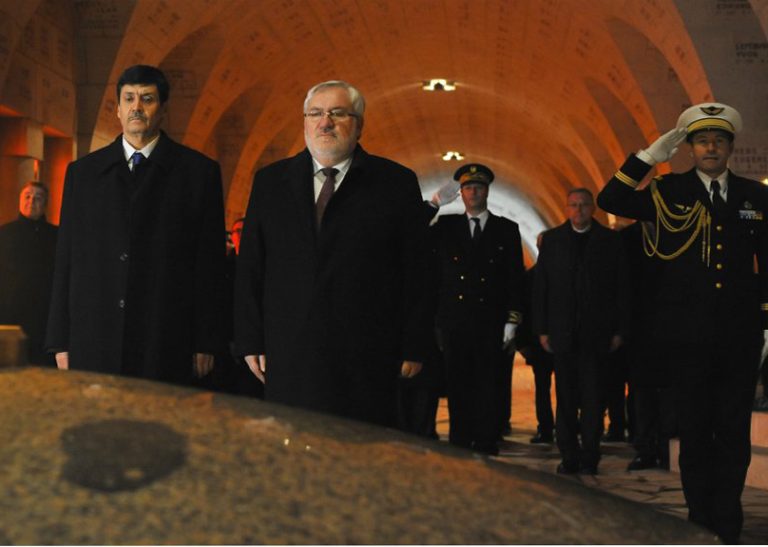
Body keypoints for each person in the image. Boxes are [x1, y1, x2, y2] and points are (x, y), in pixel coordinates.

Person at [597, 102, 768, 543]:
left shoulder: (756, 196)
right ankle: (699, 518)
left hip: (738, 335)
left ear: (731, 147)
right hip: (684, 336)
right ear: (690, 148)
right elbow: (610, 199)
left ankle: (728, 519)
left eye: (719, 140)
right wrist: (648, 158)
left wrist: (766, 325)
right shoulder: (668, 191)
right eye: (702, 140)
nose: (711, 147)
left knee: (732, 432)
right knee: (693, 431)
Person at [233, 80, 430, 427]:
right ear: (305, 121)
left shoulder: (395, 183)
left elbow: (417, 271)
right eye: (316, 113)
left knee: (359, 452)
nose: (325, 122)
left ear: (358, 124)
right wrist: (250, 339)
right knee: (293, 449)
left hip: (366, 351)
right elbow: (252, 265)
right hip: (290, 348)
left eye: (338, 114)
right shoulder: (270, 182)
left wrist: (414, 344)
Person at [46, 65, 227, 385]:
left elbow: (209, 266)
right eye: (128, 99)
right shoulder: (83, 174)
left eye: (147, 99)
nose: (136, 107)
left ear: (163, 109)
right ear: (117, 109)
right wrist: (60, 337)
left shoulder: (199, 173)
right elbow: (67, 257)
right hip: (95, 332)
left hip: (166, 333)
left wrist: (206, 340)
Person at [533, 188, 631, 474]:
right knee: (564, 396)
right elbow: (542, 288)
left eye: (584, 205)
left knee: (593, 396)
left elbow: (621, 288)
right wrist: (541, 329)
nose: (579, 210)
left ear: (593, 209)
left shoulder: (610, 241)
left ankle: (590, 453)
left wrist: (619, 330)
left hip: (597, 333)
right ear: (567, 208)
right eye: (574, 205)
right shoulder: (552, 240)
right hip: (562, 333)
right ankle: (568, 453)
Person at [430, 164, 525, 454]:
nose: (474, 192)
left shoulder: (506, 229)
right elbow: (414, 238)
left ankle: (486, 439)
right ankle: (459, 439)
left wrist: (512, 320)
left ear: (487, 191)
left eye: (479, 187)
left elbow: (514, 278)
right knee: (457, 384)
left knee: (488, 383)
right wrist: (433, 204)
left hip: (490, 320)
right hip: (455, 321)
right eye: (468, 187)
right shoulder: (445, 227)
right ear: (460, 193)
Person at [0, 182, 58, 365]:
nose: (31, 201)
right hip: (9, 313)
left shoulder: (57, 236)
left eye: (38, 198)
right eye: (27, 196)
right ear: (20, 200)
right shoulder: (4, 233)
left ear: (45, 204)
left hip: (44, 315)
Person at [516, 233, 555, 444]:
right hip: (538, 342)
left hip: (559, 339)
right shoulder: (531, 278)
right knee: (543, 387)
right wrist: (522, 343)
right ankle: (547, 426)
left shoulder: (535, 276)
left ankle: (550, 427)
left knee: (557, 387)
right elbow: (522, 311)